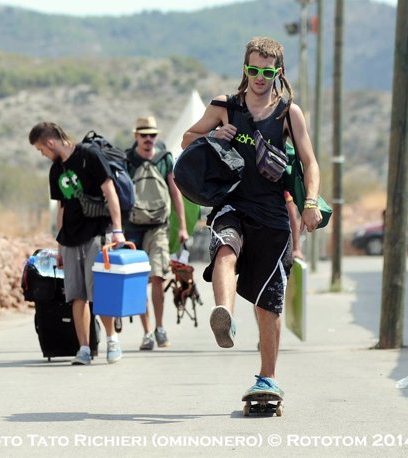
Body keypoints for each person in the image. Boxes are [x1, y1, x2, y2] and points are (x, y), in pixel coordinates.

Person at [181, 37, 322, 398]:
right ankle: (223, 314)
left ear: (278, 72)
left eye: (267, 71)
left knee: (267, 303)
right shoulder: (225, 105)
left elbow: (309, 162)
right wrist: (213, 133)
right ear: (246, 69)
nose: (260, 77)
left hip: (273, 214)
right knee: (225, 247)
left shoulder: (289, 112)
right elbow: (186, 139)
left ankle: (267, 377)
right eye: (254, 70)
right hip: (232, 202)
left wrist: (310, 203)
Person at [29, 122, 126, 366]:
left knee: (99, 293)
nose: (43, 154)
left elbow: (110, 191)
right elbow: (61, 208)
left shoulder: (89, 155)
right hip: (70, 239)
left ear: (50, 142)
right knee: (76, 295)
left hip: (96, 234)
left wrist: (117, 230)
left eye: (42, 149)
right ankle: (84, 347)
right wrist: (60, 246)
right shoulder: (56, 170)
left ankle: (112, 340)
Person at [123, 116, 188, 350]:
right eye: (144, 135)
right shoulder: (126, 160)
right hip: (132, 227)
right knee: (139, 282)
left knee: (158, 278)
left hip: (159, 226)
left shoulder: (164, 159)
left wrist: (182, 226)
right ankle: (147, 332)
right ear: (136, 136)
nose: (148, 139)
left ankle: (160, 328)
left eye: (152, 135)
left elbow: (175, 192)